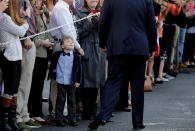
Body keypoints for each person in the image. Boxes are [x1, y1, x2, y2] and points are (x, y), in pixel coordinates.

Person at [88, 0, 157, 130]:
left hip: (117, 46)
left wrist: (103, 42)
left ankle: (103, 115)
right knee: (137, 86)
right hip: (139, 47)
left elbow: (103, 22)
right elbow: (151, 24)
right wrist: (152, 46)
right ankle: (138, 122)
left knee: (113, 82)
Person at [0, 0, 29, 130]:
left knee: (15, 88)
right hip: (9, 56)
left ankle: (11, 119)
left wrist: (22, 20)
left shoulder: (8, 17)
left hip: (16, 56)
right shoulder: (4, 17)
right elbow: (21, 31)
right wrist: (26, 19)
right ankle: (4, 120)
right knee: (9, 88)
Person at [77, 0, 106, 120]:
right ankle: (86, 110)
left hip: (99, 49)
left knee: (98, 81)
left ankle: (94, 109)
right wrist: (88, 22)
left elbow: (105, 31)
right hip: (86, 48)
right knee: (87, 81)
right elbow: (78, 33)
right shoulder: (79, 13)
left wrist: (100, 21)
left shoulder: (103, 11)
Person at [28, 0, 54, 126]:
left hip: (44, 53)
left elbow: (45, 30)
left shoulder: (43, 10)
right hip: (36, 52)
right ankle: (32, 113)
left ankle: (36, 113)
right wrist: (42, 43)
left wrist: (49, 41)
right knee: (34, 84)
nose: (39, 2)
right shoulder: (30, 10)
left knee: (39, 83)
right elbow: (30, 33)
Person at [16, 0, 42, 130]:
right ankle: (18, 116)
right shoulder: (21, 1)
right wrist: (26, 36)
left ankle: (24, 115)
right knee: (23, 82)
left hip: (31, 41)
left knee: (27, 82)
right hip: (26, 42)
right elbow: (18, 18)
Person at [48, 36, 82, 126]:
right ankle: (58, 118)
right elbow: (53, 66)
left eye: (72, 42)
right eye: (68, 42)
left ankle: (72, 119)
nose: (71, 43)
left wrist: (78, 81)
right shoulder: (57, 55)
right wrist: (52, 75)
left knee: (72, 101)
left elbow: (79, 70)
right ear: (62, 46)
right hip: (60, 81)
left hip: (71, 82)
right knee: (60, 100)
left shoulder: (77, 57)